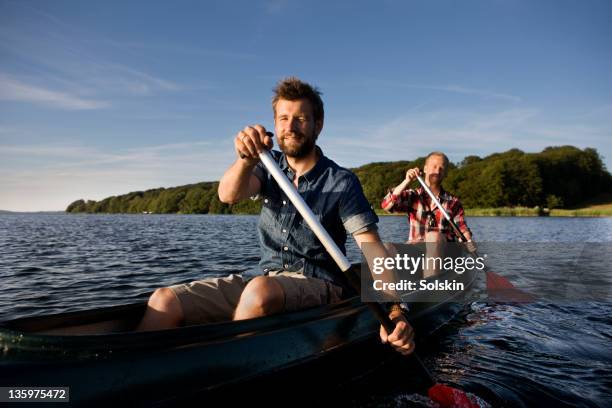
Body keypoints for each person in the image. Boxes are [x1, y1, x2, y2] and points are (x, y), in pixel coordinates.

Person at [137, 77, 414, 355]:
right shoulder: (268, 166)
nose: (290, 127)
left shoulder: (341, 181)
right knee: (164, 300)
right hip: (264, 275)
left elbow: (373, 250)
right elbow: (228, 194)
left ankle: (223, 366)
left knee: (259, 292)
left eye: (300, 118)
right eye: (283, 118)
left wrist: (394, 310)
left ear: (318, 125)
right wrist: (246, 160)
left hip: (319, 282)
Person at [381, 152, 474, 277]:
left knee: (433, 237)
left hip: (445, 251)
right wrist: (406, 181)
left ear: (445, 173)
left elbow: (462, 229)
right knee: (386, 248)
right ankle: (392, 293)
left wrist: (468, 241)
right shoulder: (412, 196)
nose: (437, 170)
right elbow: (386, 205)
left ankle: (430, 287)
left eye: (442, 168)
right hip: (416, 248)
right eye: (434, 166)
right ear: (424, 169)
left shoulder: (453, 202)